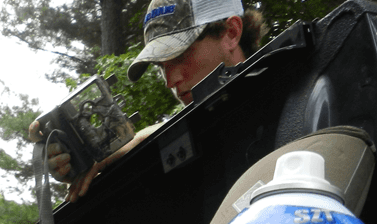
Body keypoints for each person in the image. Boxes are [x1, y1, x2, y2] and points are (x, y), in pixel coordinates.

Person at [28, 0, 266, 203]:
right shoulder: (196, 138)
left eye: (181, 56)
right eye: (161, 66)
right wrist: (98, 158)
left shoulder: (297, 86)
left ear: (231, 33)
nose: (170, 81)